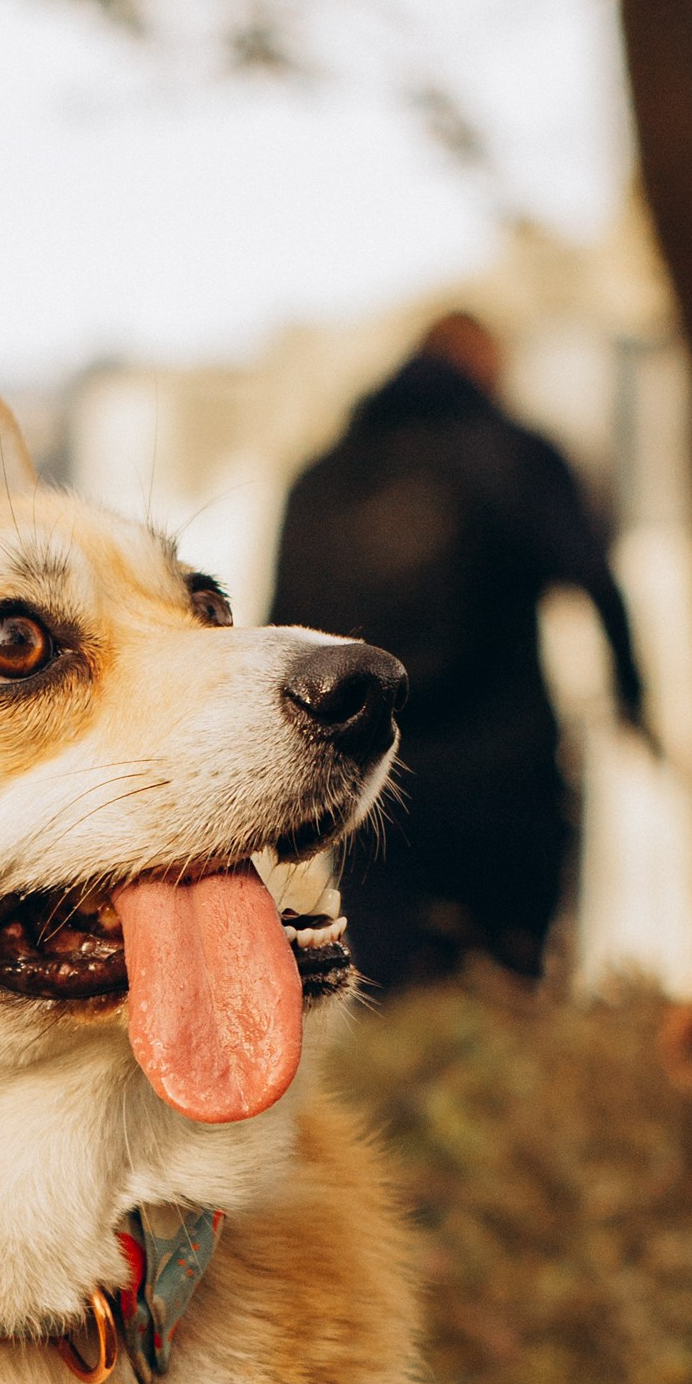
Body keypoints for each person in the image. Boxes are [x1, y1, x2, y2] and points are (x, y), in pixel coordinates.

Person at [268, 309, 644, 991]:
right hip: (507, 777)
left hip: (368, 788)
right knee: (514, 975)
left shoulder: (320, 477)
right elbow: (596, 580)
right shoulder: (517, 455)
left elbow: (275, 639)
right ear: (483, 363)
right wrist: (632, 700)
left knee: (386, 985)